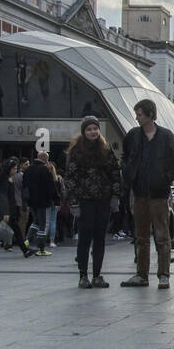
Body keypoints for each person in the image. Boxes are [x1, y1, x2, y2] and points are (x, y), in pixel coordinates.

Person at [121, 101, 174, 289]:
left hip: (158, 194)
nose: (137, 117)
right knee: (141, 236)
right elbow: (125, 157)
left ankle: (163, 274)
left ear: (150, 115)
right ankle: (142, 274)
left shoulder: (166, 137)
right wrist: (128, 172)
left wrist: (164, 178)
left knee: (162, 236)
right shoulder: (133, 136)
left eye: (140, 114)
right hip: (139, 193)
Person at [65, 116, 120, 289]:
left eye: (95, 129)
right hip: (84, 200)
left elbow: (114, 173)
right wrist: (73, 202)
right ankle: (83, 275)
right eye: (89, 129)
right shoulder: (76, 151)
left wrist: (115, 195)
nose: (93, 132)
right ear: (84, 131)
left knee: (100, 239)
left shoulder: (105, 149)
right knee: (84, 238)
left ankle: (97, 275)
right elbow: (71, 178)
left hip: (103, 200)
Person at [24, 149, 58, 256]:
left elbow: (24, 186)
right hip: (42, 201)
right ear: (44, 159)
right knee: (42, 224)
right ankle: (41, 248)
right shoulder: (44, 170)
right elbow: (50, 186)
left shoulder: (28, 169)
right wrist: (55, 198)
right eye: (47, 159)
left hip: (31, 201)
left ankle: (27, 240)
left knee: (36, 221)